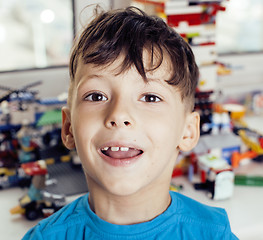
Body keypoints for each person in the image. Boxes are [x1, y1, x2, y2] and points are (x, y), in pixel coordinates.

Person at [22, 6, 238, 240]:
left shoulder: (214, 235)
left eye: (150, 97)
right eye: (96, 96)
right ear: (68, 128)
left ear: (187, 132)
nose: (119, 115)